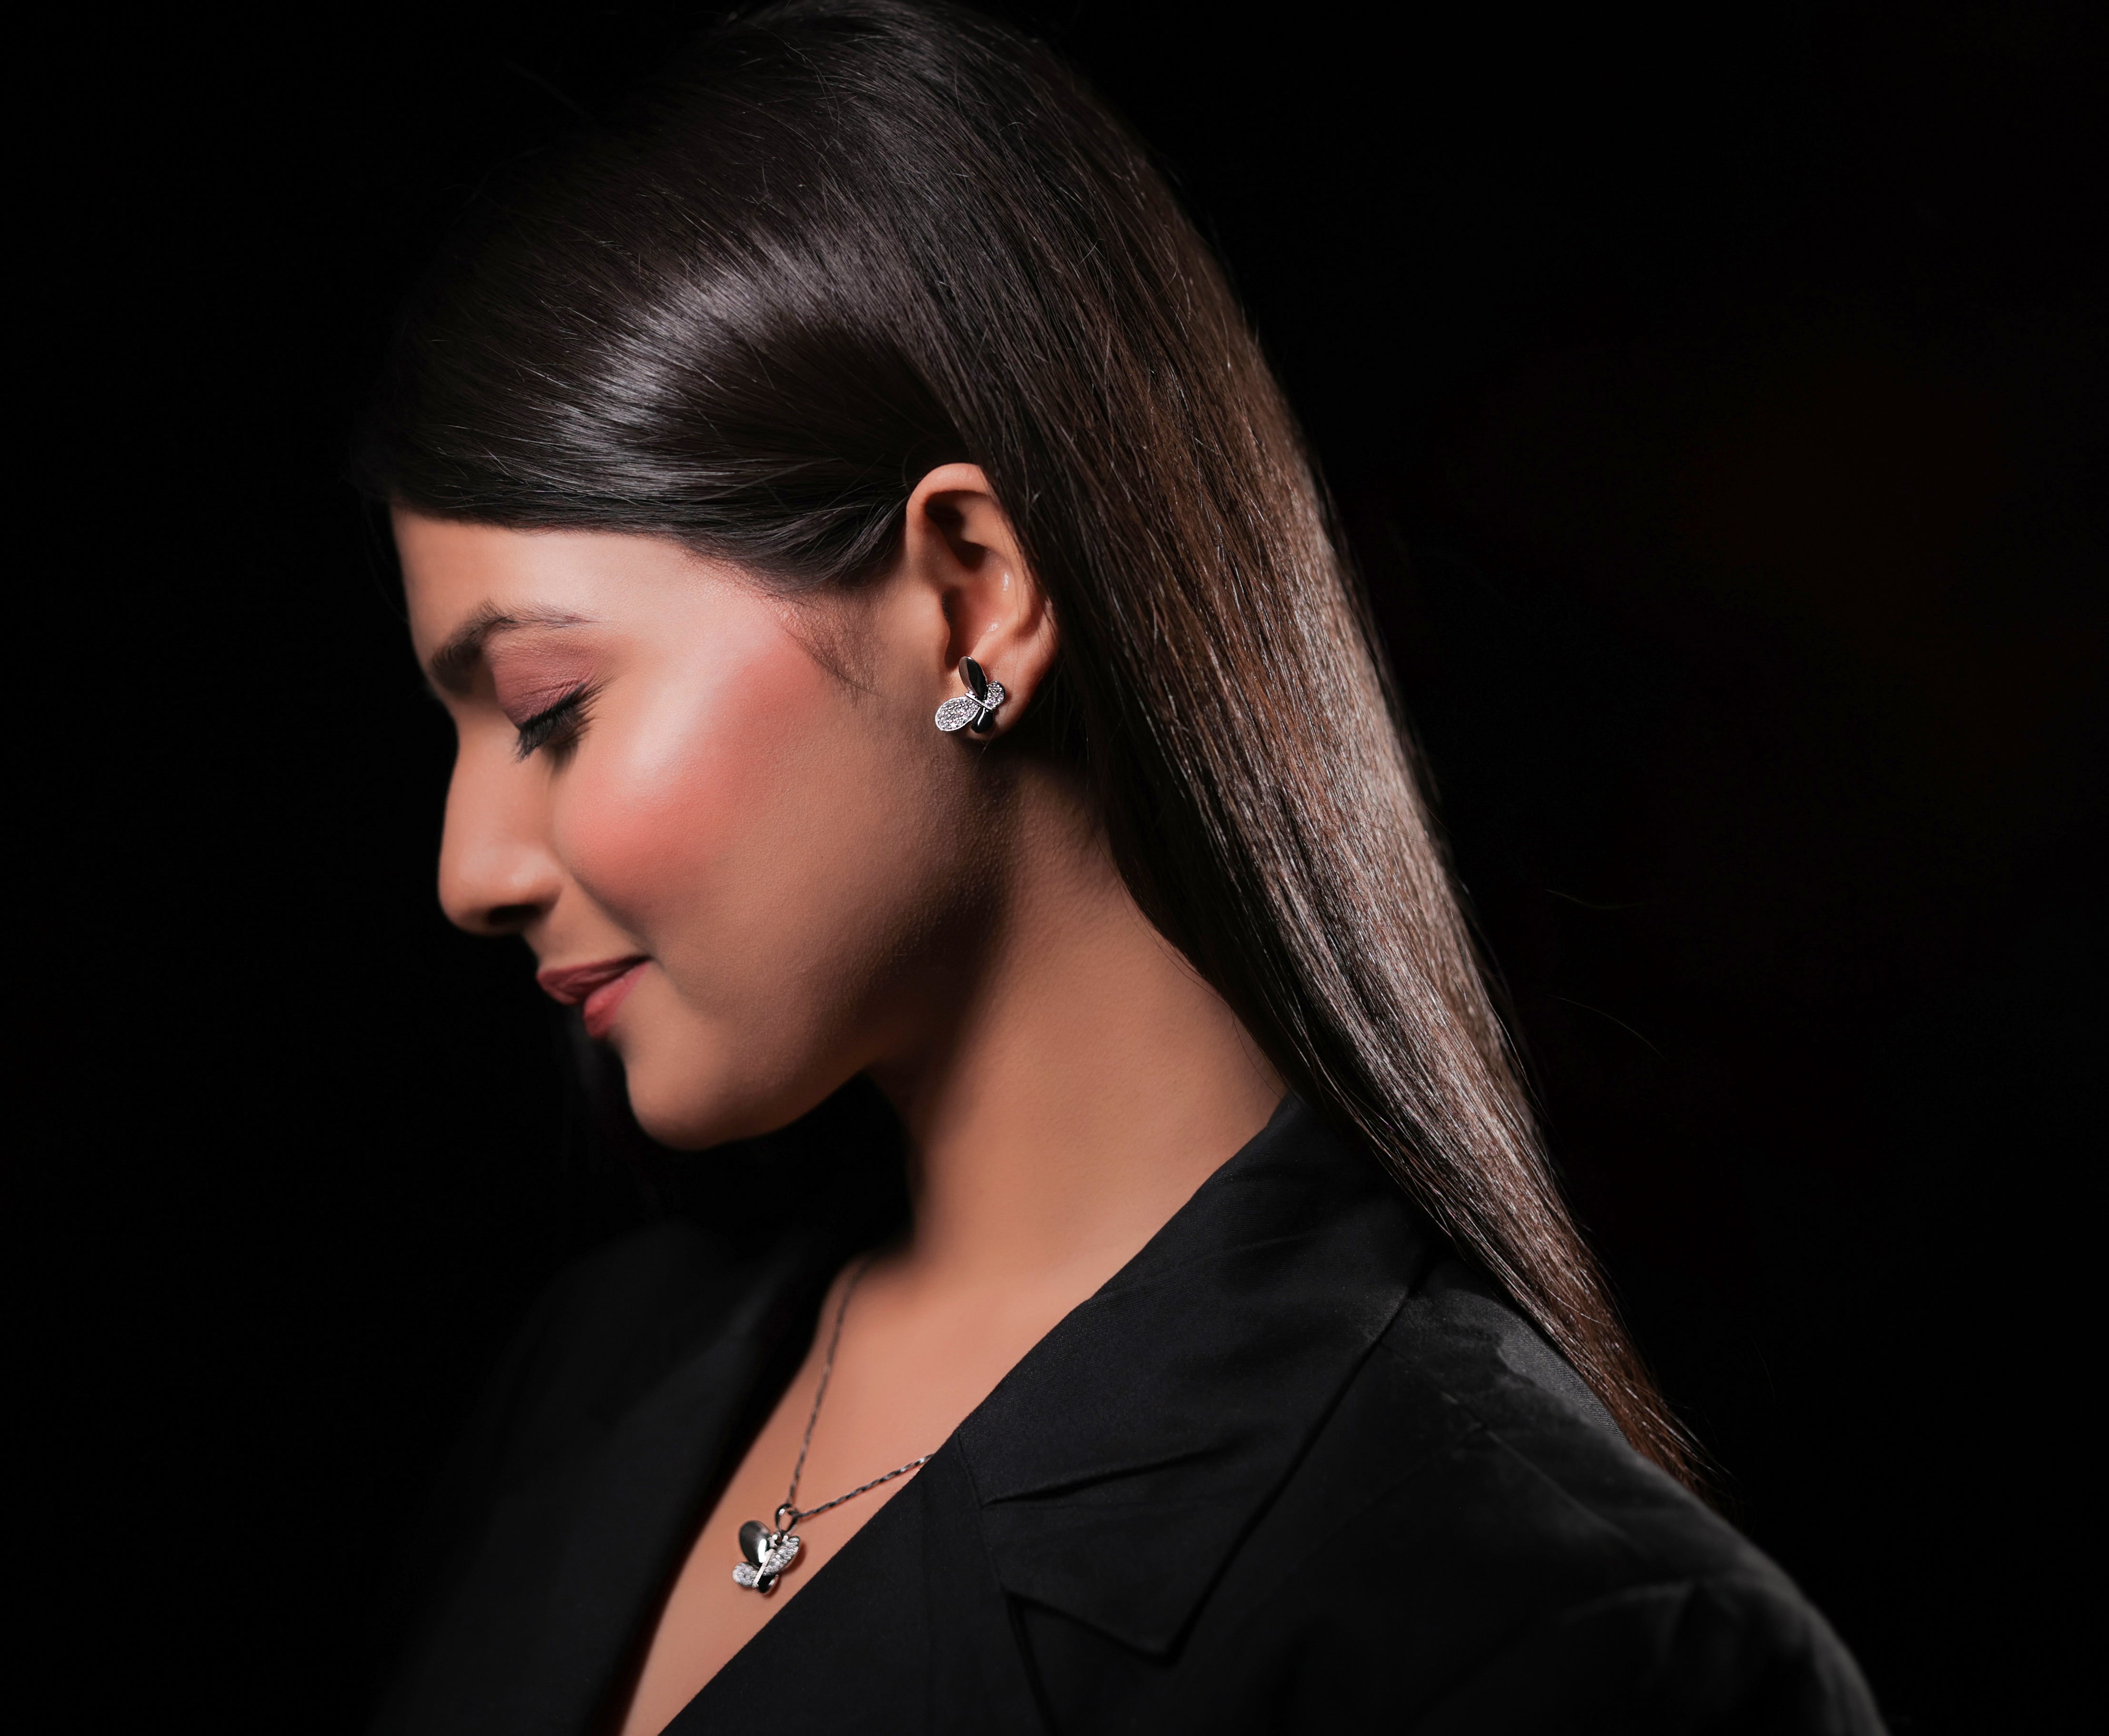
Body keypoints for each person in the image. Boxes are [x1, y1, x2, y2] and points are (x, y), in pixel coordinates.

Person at [361, 3, 1880, 1730]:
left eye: (548, 709)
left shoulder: (1563, 1646)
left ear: (973, 598)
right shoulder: (598, 1382)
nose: (470, 869)